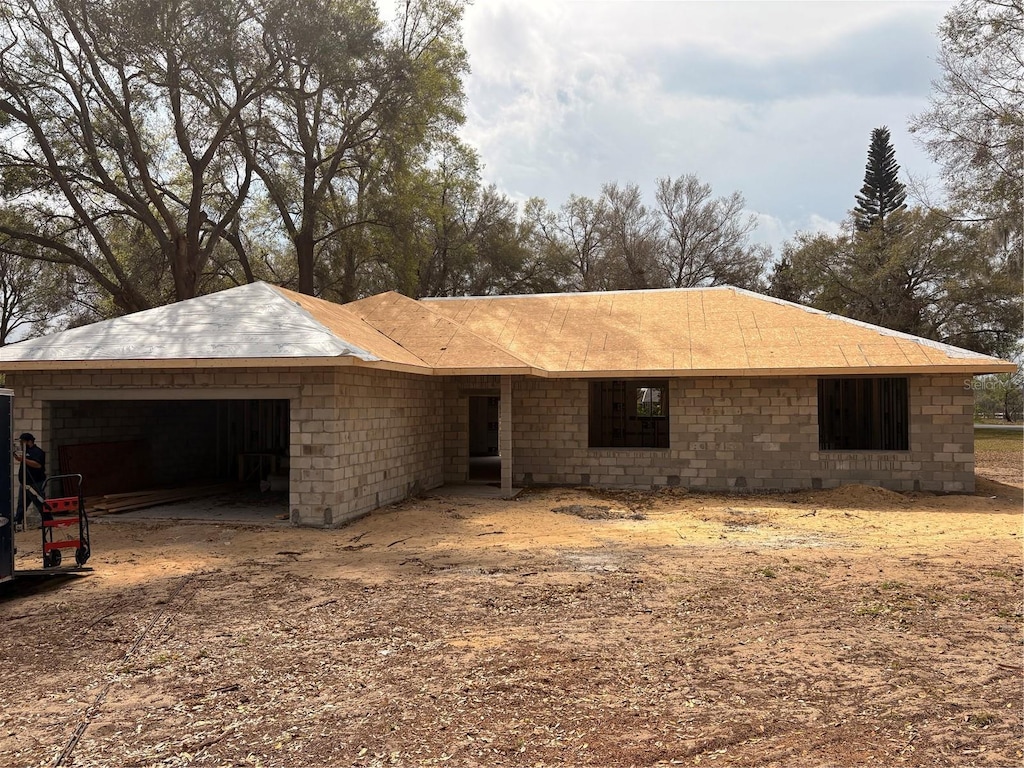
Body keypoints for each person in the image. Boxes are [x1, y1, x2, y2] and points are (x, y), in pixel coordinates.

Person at [14, 432, 46, 528]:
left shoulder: (37, 452)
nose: (21, 444)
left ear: (29, 441)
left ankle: (48, 521)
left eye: (23, 442)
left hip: (35, 483)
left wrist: (23, 459)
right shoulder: (24, 451)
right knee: (21, 504)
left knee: (39, 503)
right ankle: (17, 522)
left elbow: (38, 465)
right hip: (24, 482)